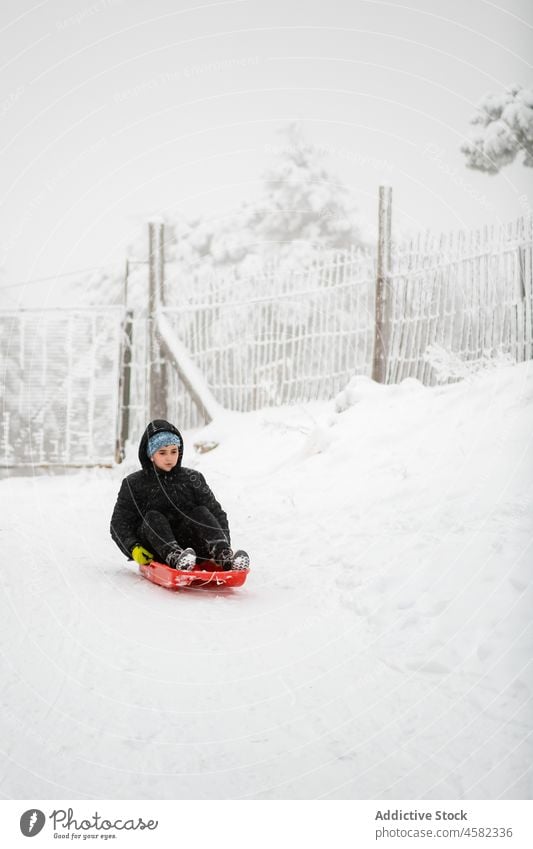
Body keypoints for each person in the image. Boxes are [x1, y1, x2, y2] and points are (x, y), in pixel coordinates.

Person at [110, 419, 249, 572]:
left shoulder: (192, 478)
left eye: (174, 451)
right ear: (151, 455)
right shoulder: (133, 483)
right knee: (152, 517)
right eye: (162, 452)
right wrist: (133, 548)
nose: (169, 458)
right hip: (156, 546)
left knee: (201, 512)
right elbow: (119, 523)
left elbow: (216, 513)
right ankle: (175, 557)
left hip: (192, 545)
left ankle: (224, 555)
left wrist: (224, 542)